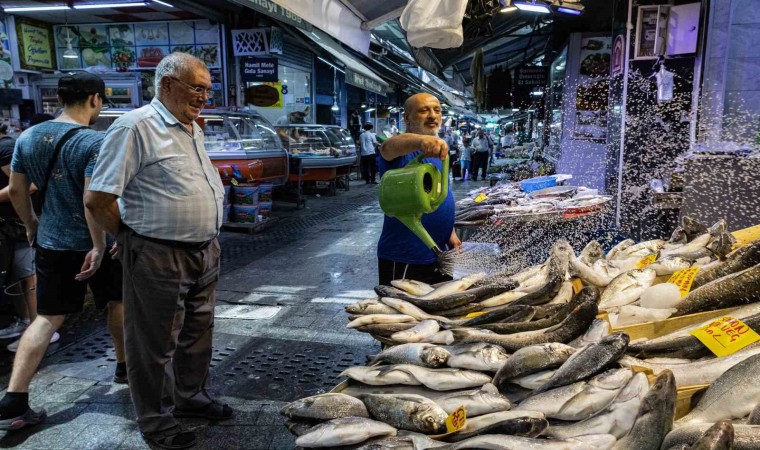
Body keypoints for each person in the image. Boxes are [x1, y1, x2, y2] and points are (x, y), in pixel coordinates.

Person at [85, 53, 229, 450]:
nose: (203, 96)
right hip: (157, 254)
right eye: (196, 87)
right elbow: (98, 199)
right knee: (153, 343)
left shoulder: (191, 128)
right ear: (167, 84)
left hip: (204, 251)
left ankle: (191, 398)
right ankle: (156, 422)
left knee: (198, 334)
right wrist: (129, 239)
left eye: (207, 89)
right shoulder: (135, 127)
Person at [0, 72, 127, 430]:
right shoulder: (93, 141)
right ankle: (123, 366)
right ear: (94, 100)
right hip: (93, 244)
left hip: (52, 243)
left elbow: (16, 188)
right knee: (117, 302)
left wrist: (31, 224)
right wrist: (100, 245)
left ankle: (15, 396)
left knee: (46, 317)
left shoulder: (26, 137)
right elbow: (93, 200)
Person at [376, 93, 461, 285]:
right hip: (405, 258)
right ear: (407, 118)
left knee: (438, 312)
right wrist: (421, 141)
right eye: (424, 110)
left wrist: (451, 233)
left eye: (437, 110)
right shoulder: (401, 152)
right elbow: (387, 148)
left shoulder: (436, 152)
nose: (432, 115)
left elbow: (438, 195)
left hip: (440, 254)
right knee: (405, 313)